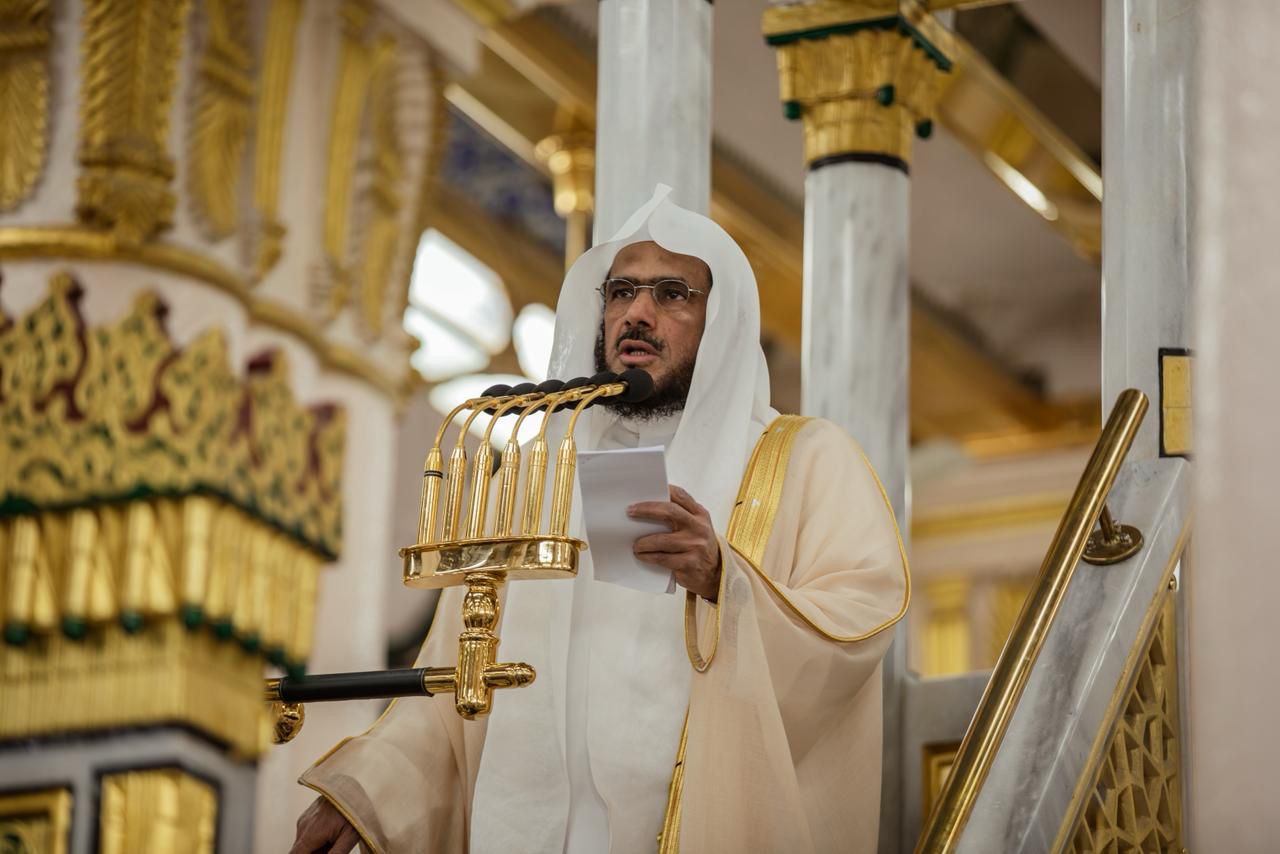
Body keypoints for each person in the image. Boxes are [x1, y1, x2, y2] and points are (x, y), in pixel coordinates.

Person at [290, 186, 908, 854]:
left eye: (672, 294)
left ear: (722, 322)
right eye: (621, 292)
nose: (637, 312)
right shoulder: (532, 475)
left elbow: (856, 625)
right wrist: (362, 794)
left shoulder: (803, 460)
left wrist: (724, 582)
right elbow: (453, 689)